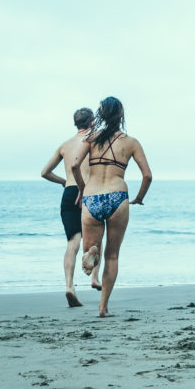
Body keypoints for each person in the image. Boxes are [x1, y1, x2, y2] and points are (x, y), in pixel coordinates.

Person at [71, 97, 152, 318]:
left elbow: (74, 165)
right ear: (121, 115)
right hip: (118, 197)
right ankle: (103, 307)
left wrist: (81, 188)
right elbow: (147, 175)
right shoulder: (131, 142)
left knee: (91, 247)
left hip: (92, 196)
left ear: (101, 114)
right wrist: (138, 198)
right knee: (113, 255)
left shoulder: (91, 137)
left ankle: (91, 251)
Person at [40, 107, 95, 307]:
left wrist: (64, 182)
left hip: (69, 193)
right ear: (92, 122)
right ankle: (94, 278)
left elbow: (45, 172)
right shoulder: (94, 140)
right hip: (88, 192)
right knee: (95, 239)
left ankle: (69, 286)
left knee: (73, 243)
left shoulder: (64, 145)